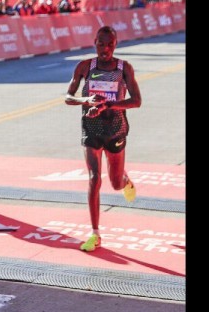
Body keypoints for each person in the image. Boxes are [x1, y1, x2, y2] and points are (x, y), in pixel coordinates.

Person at [64, 26, 141, 252]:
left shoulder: (123, 68)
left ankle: (124, 180)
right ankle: (95, 233)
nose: (105, 49)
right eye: (101, 44)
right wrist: (86, 99)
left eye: (109, 44)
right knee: (94, 178)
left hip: (115, 130)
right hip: (92, 129)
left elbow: (136, 101)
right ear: (94, 42)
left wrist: (110, 104)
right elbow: (68, 97)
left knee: (115, 183)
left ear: (115, 44)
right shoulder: (85, 66)